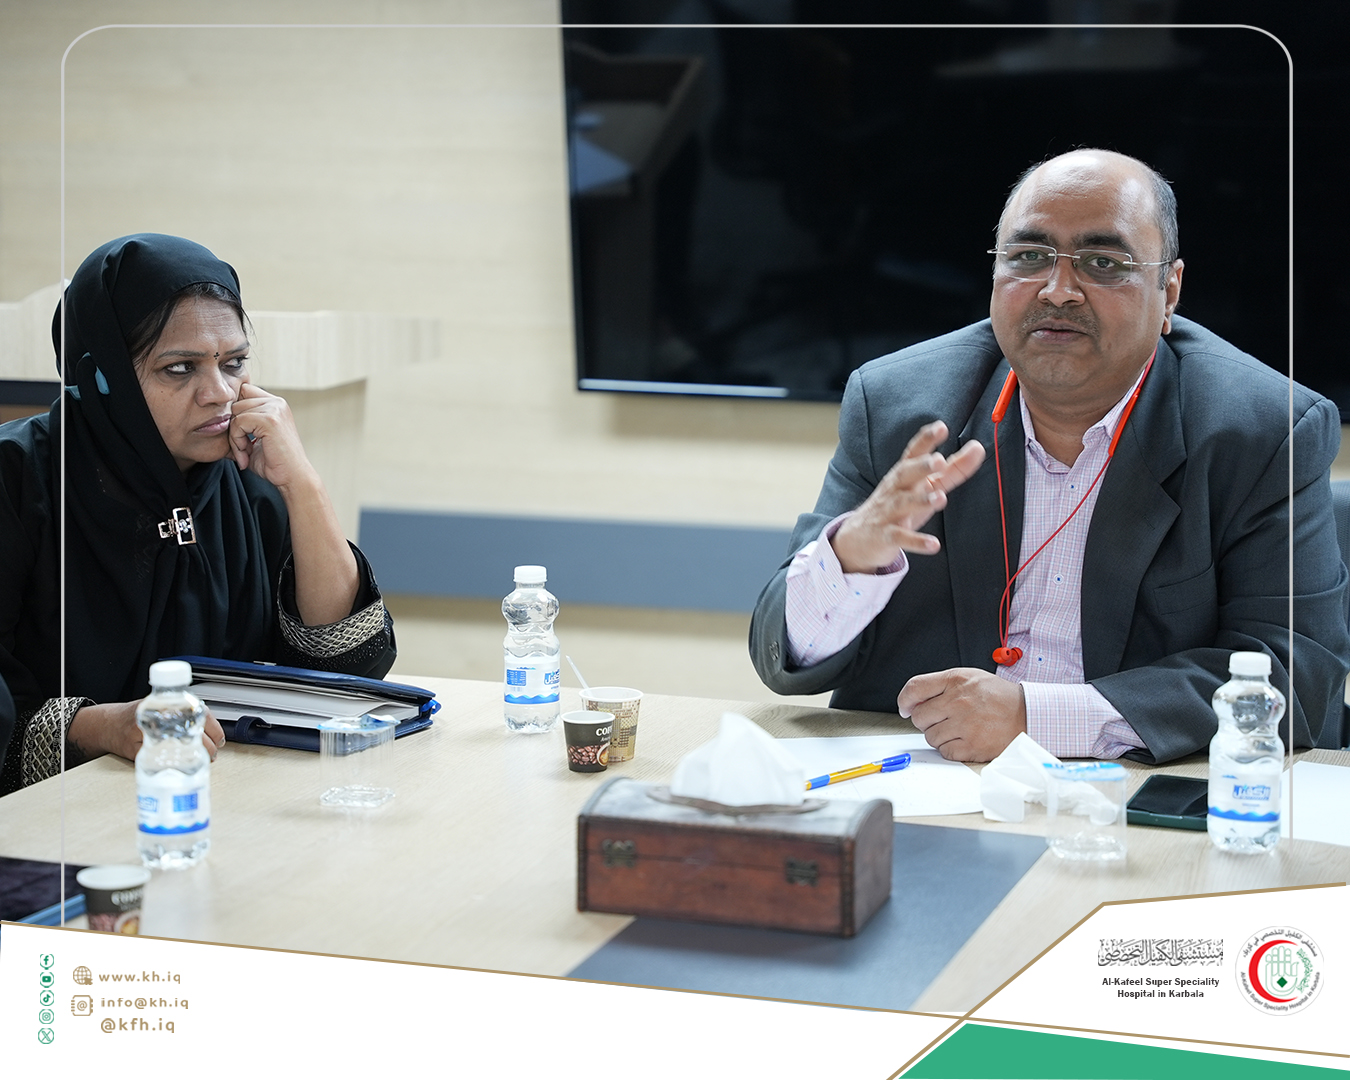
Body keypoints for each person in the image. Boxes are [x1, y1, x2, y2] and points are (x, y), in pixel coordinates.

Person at [749, 149, 1350, 765]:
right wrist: (849, 557)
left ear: (1169, 290)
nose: (1058, 291)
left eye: (1103, 263)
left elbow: (1297, 678)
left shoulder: (1261, 432)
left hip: (1138, 790)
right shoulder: (900, 406)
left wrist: (1037, 718)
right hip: (922, 780)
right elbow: (785, 659)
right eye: (1029, 257)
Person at [0, 234, 397, 794]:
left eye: (234, 363)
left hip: (226, 803)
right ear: (101, 377)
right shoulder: (16, 478)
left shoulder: (247, 482)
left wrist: (303, 485)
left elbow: (346, 669)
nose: (220, 393)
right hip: (49, 821)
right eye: (180, 368)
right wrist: (99, 727)